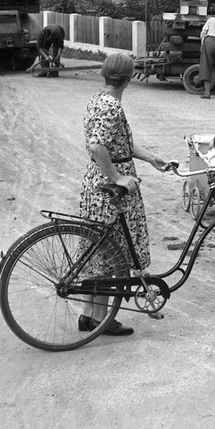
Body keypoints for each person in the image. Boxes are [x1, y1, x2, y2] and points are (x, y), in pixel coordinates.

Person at [78, 53, 173, 336]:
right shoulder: (111, 106)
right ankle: (101, 319)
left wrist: (152, 158)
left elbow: (123, 144)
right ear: (129, 79)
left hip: (97, 182)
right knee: (110, 252)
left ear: (104, 75)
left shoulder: (99, 100)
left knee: (99, 250)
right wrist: (117, 177)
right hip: (111, 188)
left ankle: (89, 314)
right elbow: (98, 147)